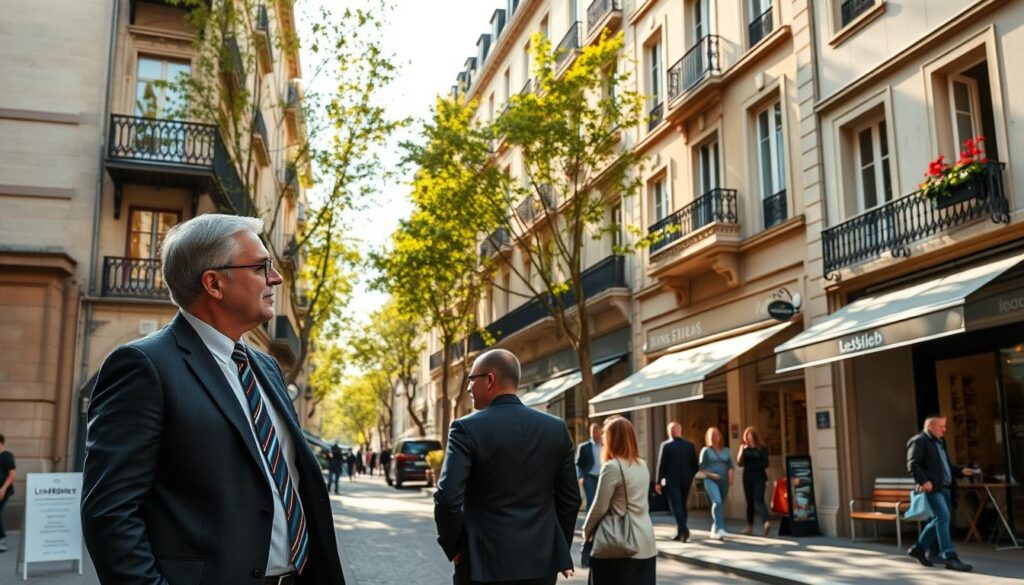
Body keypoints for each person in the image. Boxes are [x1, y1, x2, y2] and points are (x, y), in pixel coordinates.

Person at [81, 214, 344, 584]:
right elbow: (110, 513)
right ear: (214, 283)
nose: (276, 277)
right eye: (261, 266)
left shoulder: (266, 367)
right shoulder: (144, 367)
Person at [434, 349, 579, 585]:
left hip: (483, 566)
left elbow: (448, 498)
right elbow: (570, 500)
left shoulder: (465, 429)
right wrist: (557, 551)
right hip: (541, 566)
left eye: (472, 379)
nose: (468, 387)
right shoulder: (556, 429)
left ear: (490, 380)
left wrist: (455, 548)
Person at [583, 417, 657, 585]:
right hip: (646, 542)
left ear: (612, 439)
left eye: (605, 436)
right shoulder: (642, 465)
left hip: (619, 545)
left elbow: (599, 507)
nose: (602, 440)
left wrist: (586, 531)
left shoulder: (612, 467)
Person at [906, 415, 976, 572]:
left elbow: (945, 467)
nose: (944, 429)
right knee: (943, 517)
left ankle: (918, 548)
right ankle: (950, 557)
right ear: (930, 426)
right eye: (941, 426)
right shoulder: (919, 441)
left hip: (944, 488)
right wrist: (924, 482)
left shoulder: (939, 443)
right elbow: (912, 464)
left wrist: (961, 471)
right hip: (932, 489)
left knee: (939, 519)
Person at [654, 421, 698, 542]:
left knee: (676, 506)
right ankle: (681, 533)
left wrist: (658, 482)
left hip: (672, 481)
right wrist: (690, 475)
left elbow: (661, 465)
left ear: (670, 432)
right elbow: (695, 465)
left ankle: (683, 530)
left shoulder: (666, 445)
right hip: (686, 480)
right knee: (682, 505)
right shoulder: (690, 445)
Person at [699, 426, 734, 540]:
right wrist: (711, 475)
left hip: (724, 481)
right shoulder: (706, 451)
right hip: (710, 481)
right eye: (712, 435)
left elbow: (730, 466)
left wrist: (731, 477)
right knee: (717, 501)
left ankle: (714, 527)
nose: (715, 437)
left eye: (717, 434)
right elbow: (701, 468)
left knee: (720, 505)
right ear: (708, 437)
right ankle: (720, 528)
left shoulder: (726, 450)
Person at [737, 426, 771, 535]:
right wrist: (741, 451)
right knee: (749, 502)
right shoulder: (744, 449)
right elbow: (739, 463)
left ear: (755, 437)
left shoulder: (762, 448)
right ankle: (749, 526)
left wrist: (754, 466)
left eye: (750, 436)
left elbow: (766, 463)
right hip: (747, 477)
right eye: (746, 436)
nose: (748, 438)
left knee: (758, 499)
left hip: (760, 477)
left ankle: (766, 522)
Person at [576, 423, 604, 512]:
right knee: (591, 500)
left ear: (601, 432)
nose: (594, 433)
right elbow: (578, 463)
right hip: (589, 477)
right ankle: (589, 524)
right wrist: (581, 477)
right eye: (592, 431)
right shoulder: (584, 447)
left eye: (596, 431)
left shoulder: (605, 446)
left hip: (603, 477)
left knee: (602, 501)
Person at [0, 433, 16, 553]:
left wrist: (3, 488)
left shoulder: (6, 456)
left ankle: (1, 540)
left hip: (2, 491)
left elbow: (12, 474)